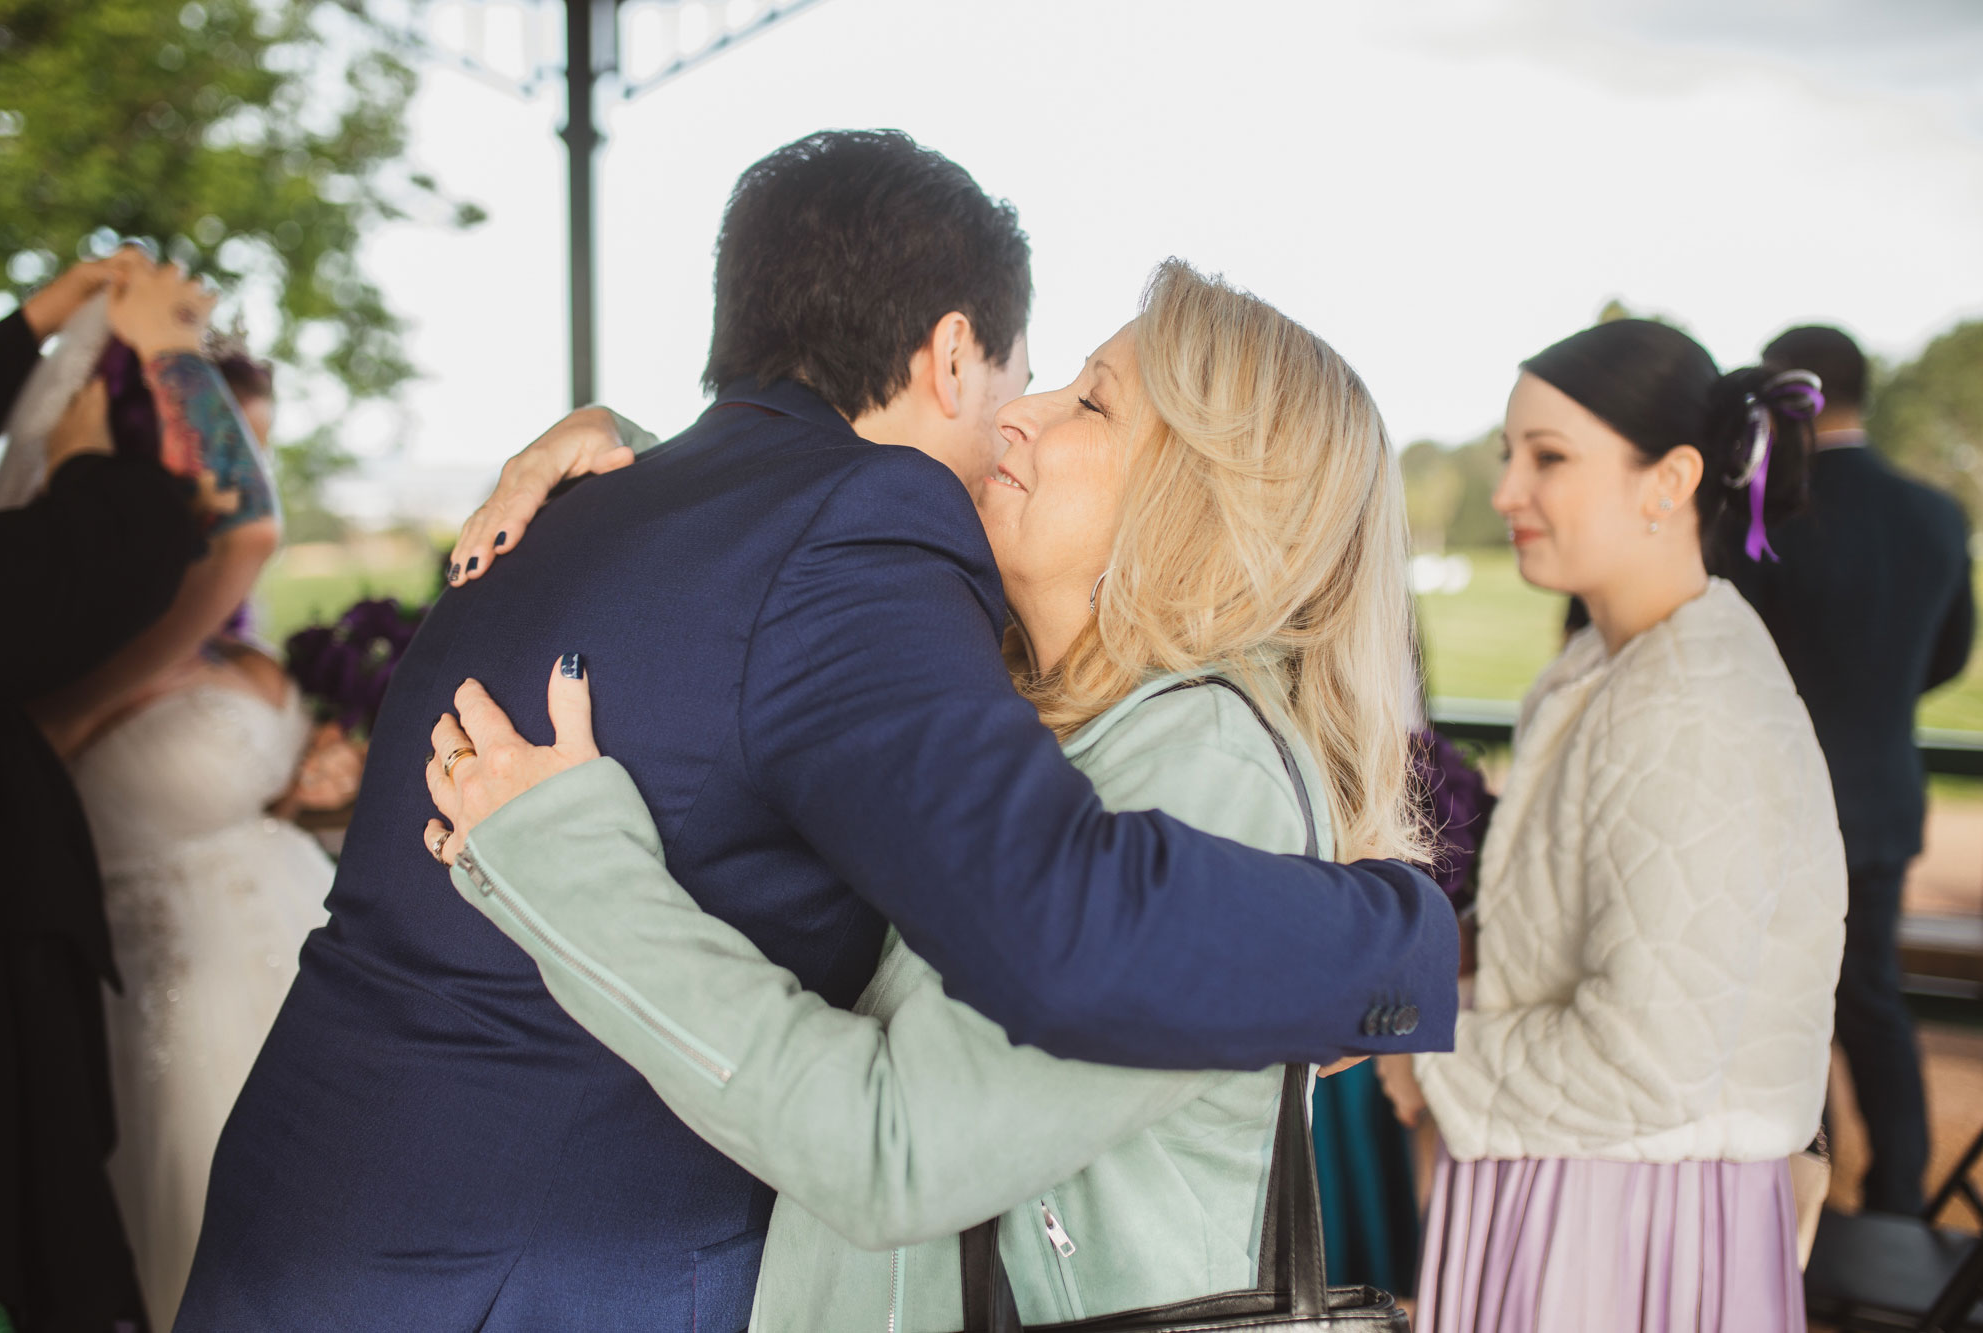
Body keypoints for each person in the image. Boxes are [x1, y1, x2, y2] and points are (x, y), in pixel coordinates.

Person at [178, 131, 1457, 1332]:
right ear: (952, 352)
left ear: (1212, 500)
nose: (1021, 414)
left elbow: (901, 1139)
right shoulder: (952, 636)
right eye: (1043, 376)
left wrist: (1407, 937)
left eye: (1092, 404)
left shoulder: (1203, 758)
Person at [1383, 319, 1848, 1331]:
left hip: (1623, 1216)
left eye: (1547, 458)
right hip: (1567, 1175)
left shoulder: (1689, 701)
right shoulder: (1610, 668)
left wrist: (1427, 1055)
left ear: (1669, 480)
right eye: (1511, 455)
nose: (1507, 491)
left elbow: (1648, 1060)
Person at [0, 307, 332, 1330]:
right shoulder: (79, 639)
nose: (241, 466)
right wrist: (171, 348)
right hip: (182, 985)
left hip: (295, 945)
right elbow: (255, 523)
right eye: (232, 437)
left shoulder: (221, 633)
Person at [1731, 324, 1972, 1215]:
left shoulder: (1767, 513)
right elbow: (1946, 656)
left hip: (1777, 808)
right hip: (1881, 798)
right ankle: (1901, 1199)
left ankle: (1809, 1205)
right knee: (1872, 999)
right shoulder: (1937, 514)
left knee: (1784, 1010)